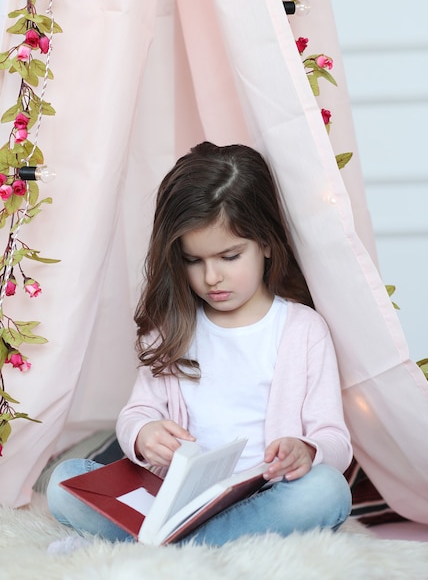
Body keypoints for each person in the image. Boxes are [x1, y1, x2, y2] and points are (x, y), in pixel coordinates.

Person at [47, 141, 353, 547]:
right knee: (63, 482)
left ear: (265, 243)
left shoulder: (303, 329)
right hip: (172, 498)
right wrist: (143, 434)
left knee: (328, 491)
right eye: (194, 260)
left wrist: (306, 451)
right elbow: (138, 412)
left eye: (229, 256)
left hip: (263, 498)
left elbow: (335, 437)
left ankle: (176, 545)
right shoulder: (173, 327)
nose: (211, 278)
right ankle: (193, 540)